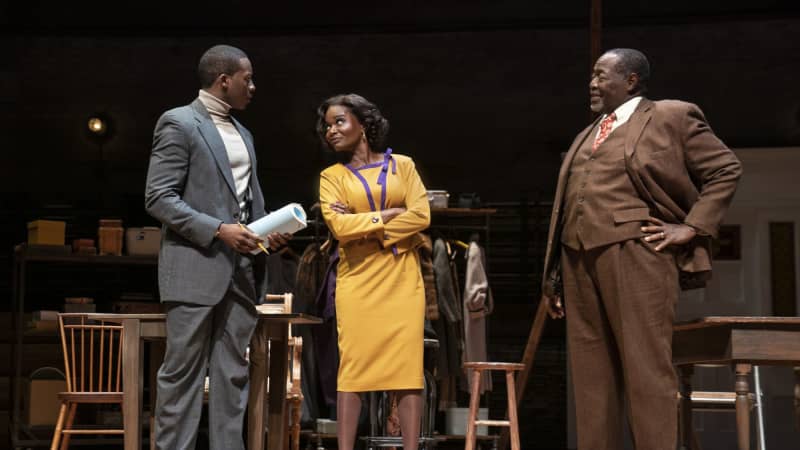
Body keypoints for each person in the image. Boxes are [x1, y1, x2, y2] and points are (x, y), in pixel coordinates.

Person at [541, 48, 742, 449]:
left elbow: (725, 168)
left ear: (631, 80)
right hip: (578, 257)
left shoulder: (671, 115)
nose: (592, 83)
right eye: (592, 76)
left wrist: (691, 226)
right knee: (592, 377)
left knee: (646, 369)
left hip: (636, 253)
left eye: (601, 75)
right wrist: (555, 275)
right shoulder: (588, 132)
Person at [145, 44, 289, 450]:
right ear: (225, 80)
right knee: (182, 377)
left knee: (233, 376)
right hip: (195, 269)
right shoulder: (180, 123)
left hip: (241, 273)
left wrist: (267, 234)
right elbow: (158, 197)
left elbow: (248, 204)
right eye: (248, 79)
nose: (254, 87)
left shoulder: (244, 134)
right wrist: (219, 230)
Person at [316, 93, 431, 450]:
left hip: (401, 278)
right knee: (353, 369)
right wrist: (389, 216)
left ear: (363, 124)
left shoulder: (403, 166)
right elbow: (338, 227)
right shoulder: (331, 177)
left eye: (339, 121)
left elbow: (422, 215)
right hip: (357, 280)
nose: (331, 131)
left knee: (408, 370)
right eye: (327, 126)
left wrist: (370, 229)